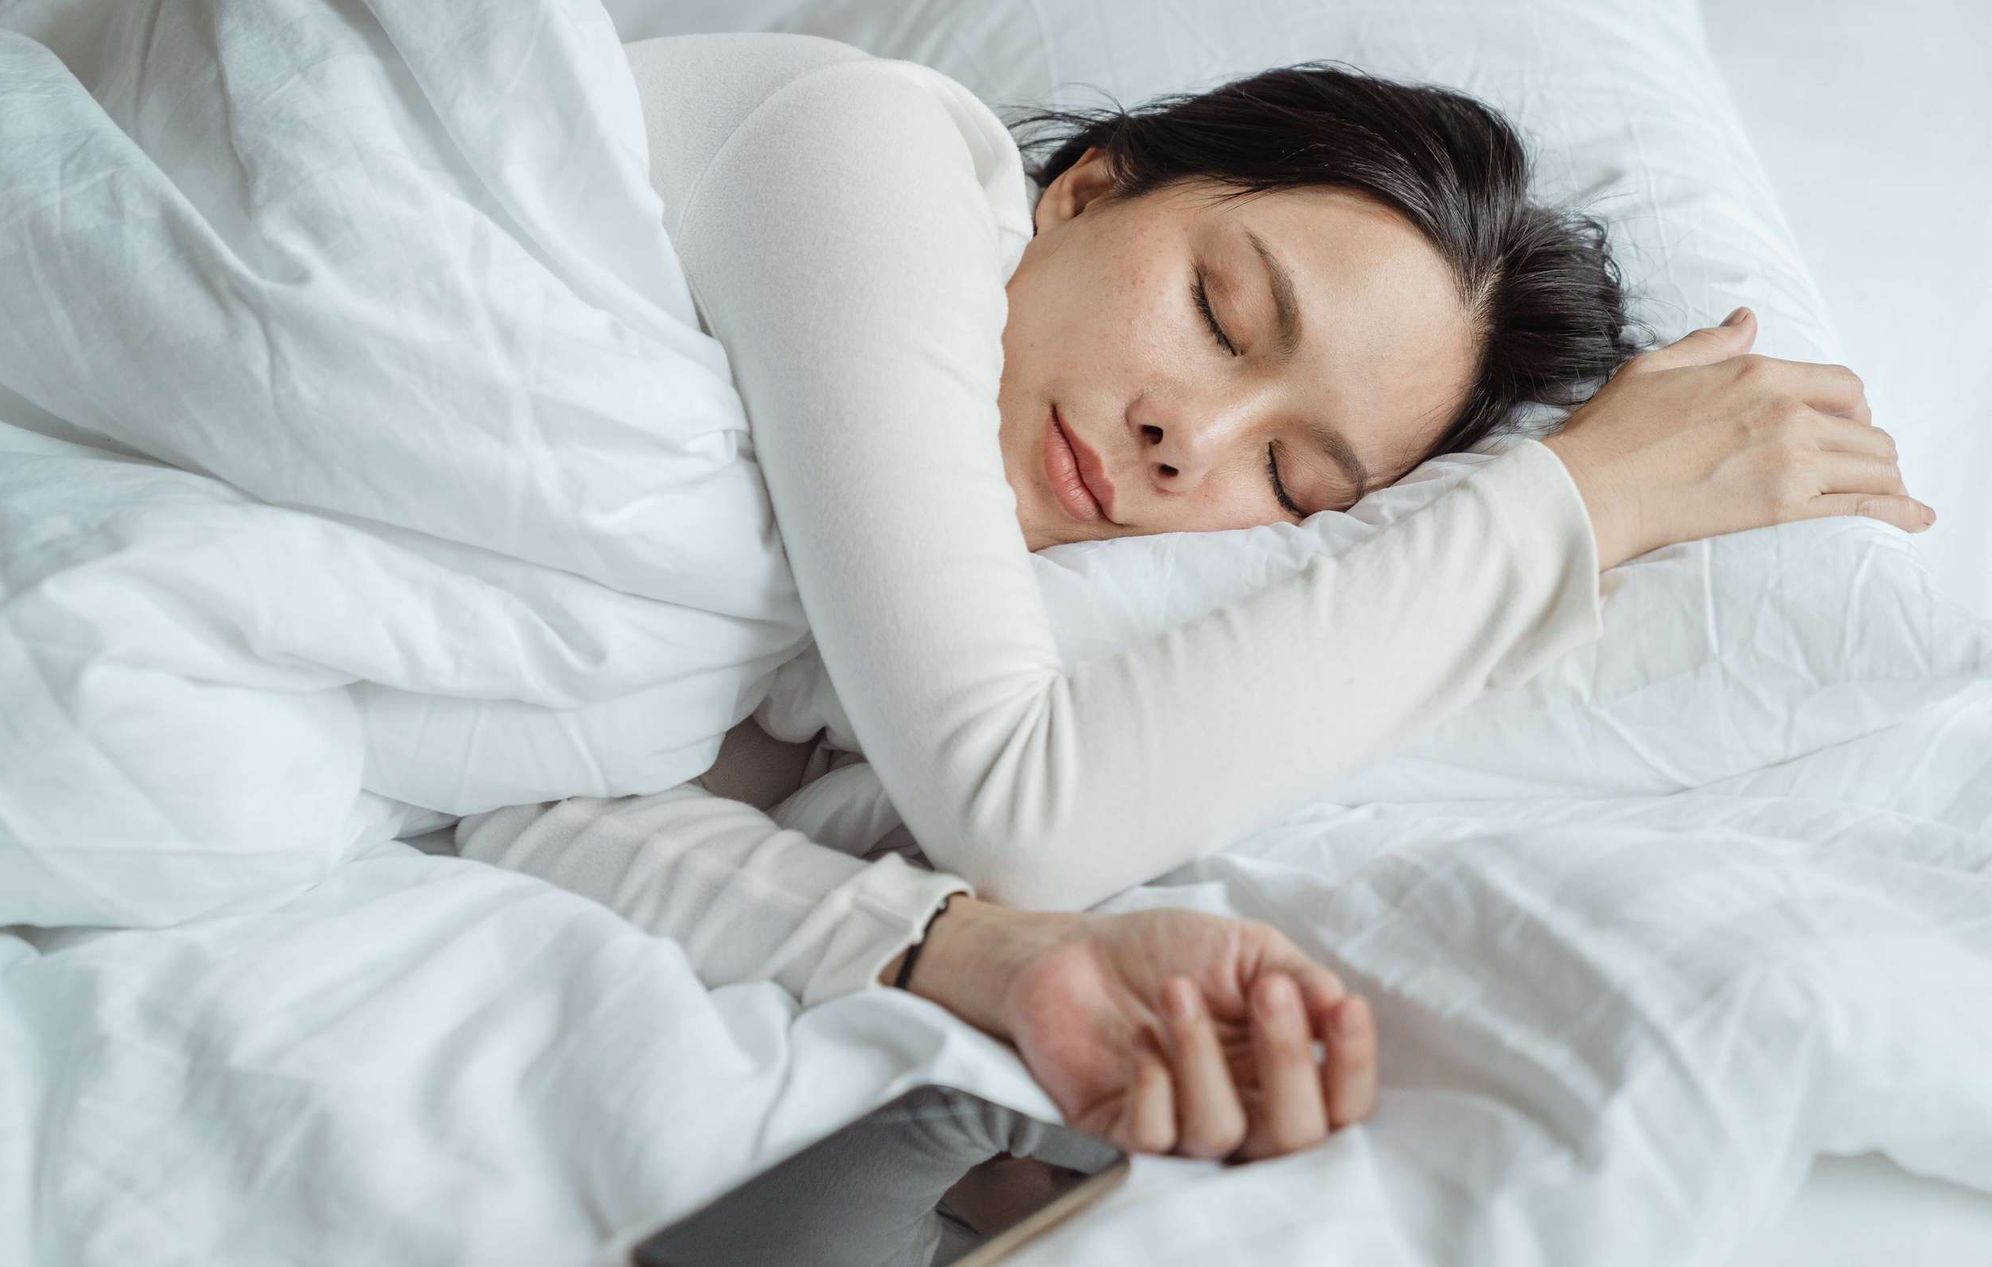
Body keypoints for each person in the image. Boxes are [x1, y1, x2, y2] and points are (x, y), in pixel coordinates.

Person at [457, 31, 1928, 1166]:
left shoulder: (807, 628)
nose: (1190, 442)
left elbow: (515, 798)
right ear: (1087, 188)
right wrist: (1581, 505)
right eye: (1223, 314)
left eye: (1294, 485)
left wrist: (979, 955)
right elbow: (1022, 806)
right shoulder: (865, 149)